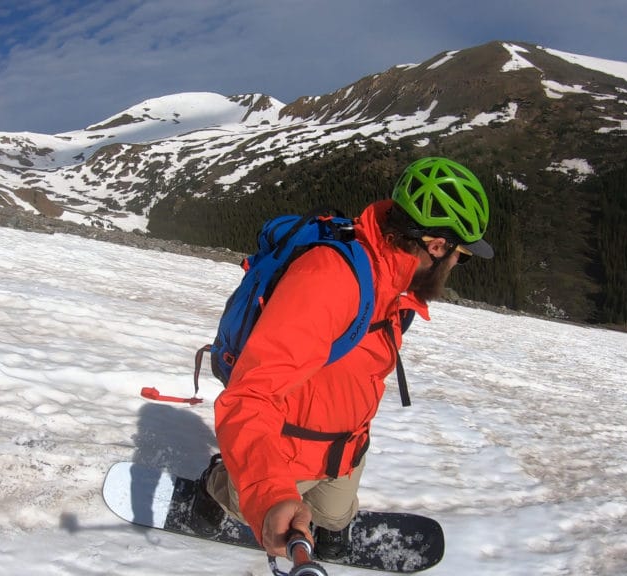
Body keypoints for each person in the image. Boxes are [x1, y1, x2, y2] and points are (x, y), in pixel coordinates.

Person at [189, 156, 494, 560]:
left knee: (334, 514)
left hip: (345, 447)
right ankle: (218, 483)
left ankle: (328, 520)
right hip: (288, 446)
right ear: (436, 246)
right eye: (461, 254)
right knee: (248, 505)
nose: (459, 263)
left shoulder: (396, 283)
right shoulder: (331, 280)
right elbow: (251, 397)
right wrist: (268, 495)